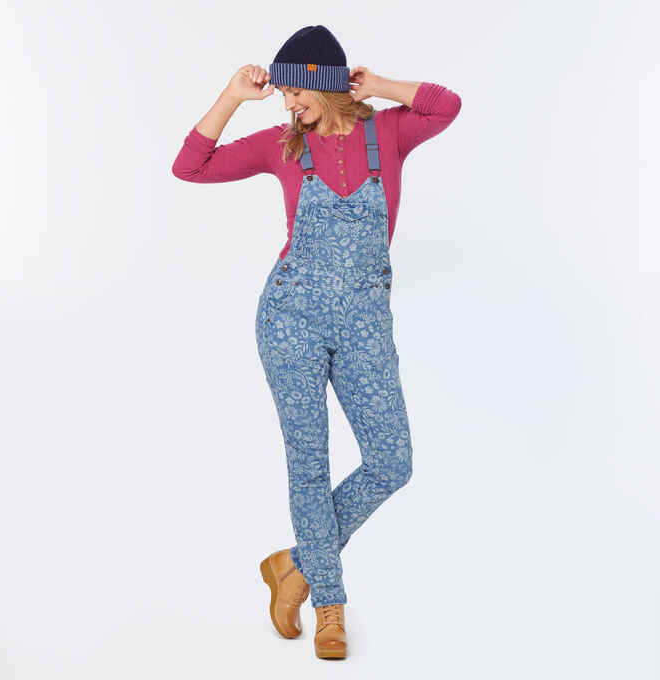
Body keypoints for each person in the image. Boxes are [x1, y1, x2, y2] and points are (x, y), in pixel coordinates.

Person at [172, 24, 462, 660]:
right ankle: (329, 604)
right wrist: (231, 95)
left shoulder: (389, 134)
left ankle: (296, 564)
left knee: (392, 461)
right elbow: (190, 167)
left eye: (295, 90)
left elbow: (446, 105)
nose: (287, 102)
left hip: (365, 325)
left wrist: (378, 83)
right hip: (291, 320)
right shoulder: (283, 147)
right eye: (283, 94)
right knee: (309, 462)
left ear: (328, 85)